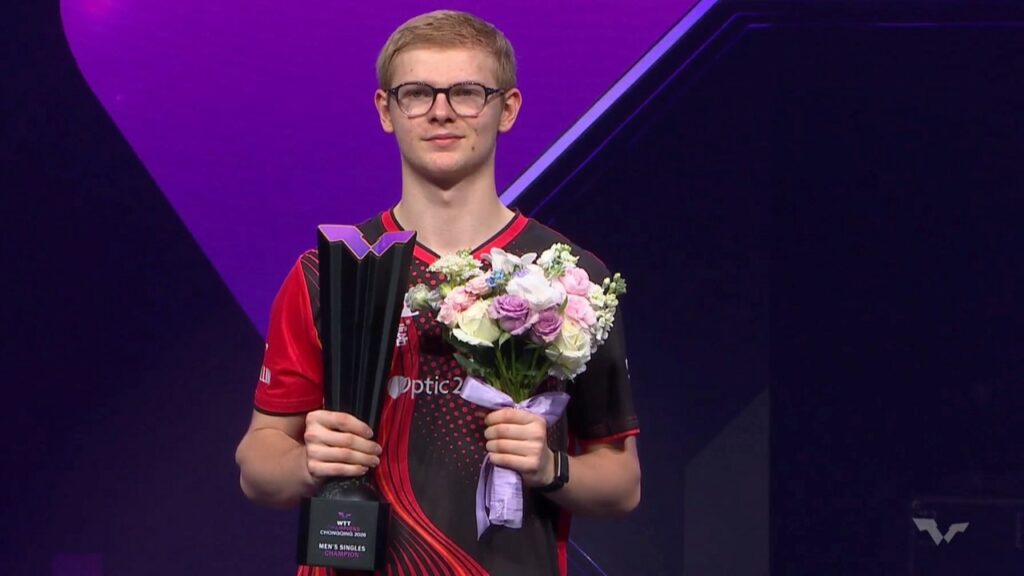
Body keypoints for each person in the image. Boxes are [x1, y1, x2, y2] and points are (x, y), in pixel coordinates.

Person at [235, 10, 641, 576]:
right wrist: (307, 462)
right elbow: (257, 464)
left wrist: (552, 467)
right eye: (417, 93)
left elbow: (622, 483)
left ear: (508, 108)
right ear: (386, 110)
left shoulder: (572, 279)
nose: (441, 111)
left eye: (467, 92)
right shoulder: (329, 273)